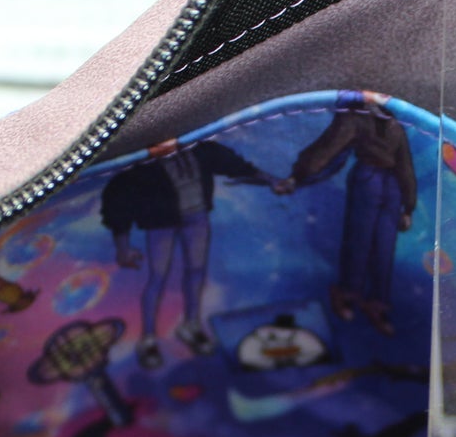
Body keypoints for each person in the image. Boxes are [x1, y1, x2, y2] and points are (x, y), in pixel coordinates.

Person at [99, 137, 285, 369]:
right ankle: (148, 337)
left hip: (197, 216)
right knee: (158, 278)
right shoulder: (141, 169)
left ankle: (191, 324)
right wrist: (123, 247)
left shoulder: (200, 149)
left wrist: (271, 179)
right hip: (160, 223)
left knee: (196, 270)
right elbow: (118, 202)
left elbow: (234, 165)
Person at [281, 91, 418, 333]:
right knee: (359, 242)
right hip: (368, 178)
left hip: (392, 184)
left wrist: (408, 206)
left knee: (385, 247)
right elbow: (327, 148)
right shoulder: (354, 117)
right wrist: (298, 175)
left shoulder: (393, 122)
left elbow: (405, 163)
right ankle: (347, 292)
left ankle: (377, 302)